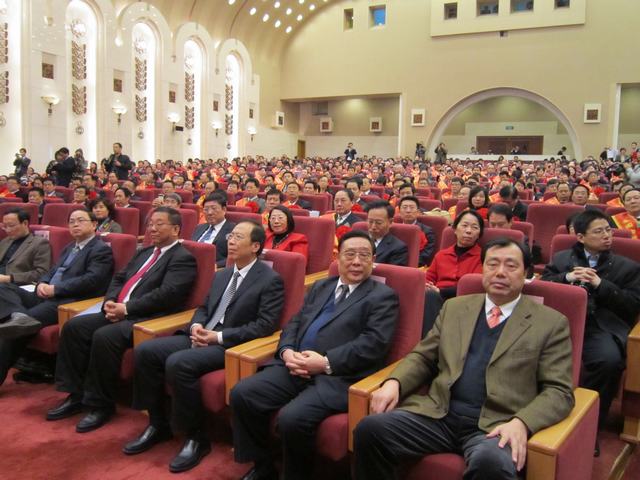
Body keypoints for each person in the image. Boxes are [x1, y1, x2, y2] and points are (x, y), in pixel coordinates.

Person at [354, 238, 575, 480]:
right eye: (492, 264)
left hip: (497, 425)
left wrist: (523, 422)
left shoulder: (550, 323)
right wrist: (394, 382)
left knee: (491, 464)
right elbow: (424, 356)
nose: (500, 272)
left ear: (527, 273)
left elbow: (559, 391)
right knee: (370, 429)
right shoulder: (455, 308)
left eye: (511, 266)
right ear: (483, 269)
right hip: (439, 414)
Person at [230, 229, 398, 480]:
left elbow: (373, 344)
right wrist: (286, 352)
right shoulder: (322, 286)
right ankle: (263, 464)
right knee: (242, 393)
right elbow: (295, 323)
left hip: (336, 376)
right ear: (337, 258)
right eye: (350, 254)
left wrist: (325, 362)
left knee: (292, 419)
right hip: (295, 365)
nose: (356, 261)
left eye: (364, 256)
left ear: (373, 260)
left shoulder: (383, 296)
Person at [125, 220, 285, 472]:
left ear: (255, 246)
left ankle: (196, 437)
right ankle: (158, 423)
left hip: (229, 345)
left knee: (179, 363)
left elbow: (263, 326)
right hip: (201, 334)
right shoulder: (222, 274)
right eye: (230, 236)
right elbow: (203, 307)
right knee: (146, 351)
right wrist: (196, 326)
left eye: (238, 237)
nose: (231, 241)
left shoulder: (270, 280)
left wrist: (217, 337)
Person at [47, 207, 197, 432]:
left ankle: (101, 404)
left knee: (104, 336)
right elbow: (119, 278)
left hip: (147, 317)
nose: (152, 229)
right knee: (74, 327)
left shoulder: (183, 258)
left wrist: (125, 309)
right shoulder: (144, 252)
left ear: (176, 229)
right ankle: (76, 394)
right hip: (119, 308)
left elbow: (166, 295)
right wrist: (109, 301)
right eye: (150, 224)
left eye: (159, 224)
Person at [541, 209, 640, 428]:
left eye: (608, 230)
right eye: (598, 231)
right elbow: (544, 286)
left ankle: (589, 423)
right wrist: (566, 277)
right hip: (562, 322)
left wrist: (601, 285)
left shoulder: (628, 267)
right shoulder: (561, 259)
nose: (606, 236)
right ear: (580, 237)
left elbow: (632, 306)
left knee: (609, 360)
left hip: (600, 326)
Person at [0, 208, 113, 385]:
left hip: (66, 300)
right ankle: (18, 314)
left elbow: (92, 281)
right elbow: (52, 270)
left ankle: (20, 318)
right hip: (45, 293)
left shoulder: (100, 250)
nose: (75, 224)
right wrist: (43, 283)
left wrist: (56, 289)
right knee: (4, 287)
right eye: (71, 221)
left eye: (80, 220)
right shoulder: (70, 247)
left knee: (15, 327)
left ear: (94, 225)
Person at [423, 210, 484, 335]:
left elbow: (473, 286)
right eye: (464, 225)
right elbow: (428, 278)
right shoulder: (441, 255)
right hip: (435, 299)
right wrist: (429, 286)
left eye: (474, 227)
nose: (468, 231)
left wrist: (440, 291)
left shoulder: (483, 257)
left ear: (479, 234)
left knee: (431, 297)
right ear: (455, 229)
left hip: (464, 302)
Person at [0, 208, 51, 286]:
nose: (8, 230)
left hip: (14, 284)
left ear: (25, 223)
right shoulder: (6, 241)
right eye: (5, 226)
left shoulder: (39, 243)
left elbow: (41, 273)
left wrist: (10, 278)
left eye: (11, 226)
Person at [192, 193, 236, 268]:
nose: (209, 213)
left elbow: (236, 256)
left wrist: (216, 265)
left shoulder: (234, 229)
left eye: (214, 208)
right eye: (206, 209)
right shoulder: (199, 227)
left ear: (224, 209)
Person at [365, 200, 408, 266]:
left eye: (378, 223)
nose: (373, 226)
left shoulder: (398, 248)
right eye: (370, 221)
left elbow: (391, 271)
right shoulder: (358, 238)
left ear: (390, 222)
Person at [398, 196, 436, 266]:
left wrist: (408, 265)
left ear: (418, 212)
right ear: (399, 212)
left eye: (412, 207)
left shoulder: (427, 231)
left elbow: (426, 255)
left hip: (416, 265)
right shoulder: (394, 229)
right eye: (405, 207)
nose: (408, 211)